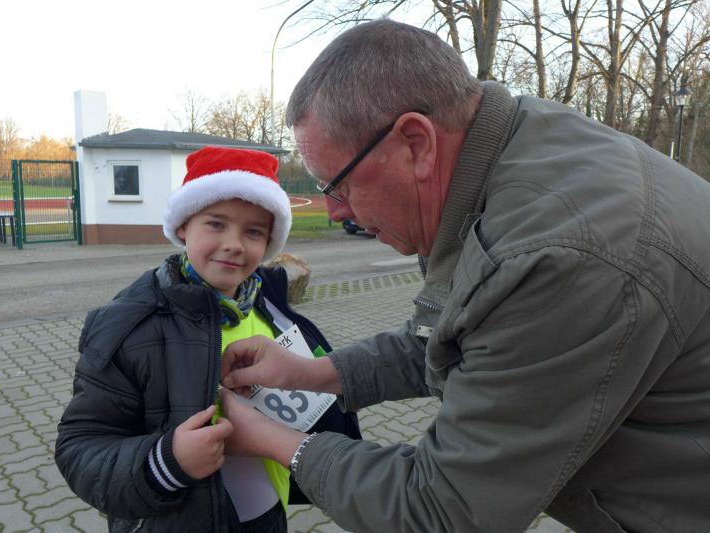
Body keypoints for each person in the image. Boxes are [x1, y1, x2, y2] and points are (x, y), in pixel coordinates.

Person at [219, 19, 710, 533]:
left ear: (416, 143)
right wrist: (314, 373)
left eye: (336, 185)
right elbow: (469, 338)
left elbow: (442, 511)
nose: (336, 211)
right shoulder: (519, 148)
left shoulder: (557, 255)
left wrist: (272, 440)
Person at [56, 146, 360, 533]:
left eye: (253, 231)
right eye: (216, 224)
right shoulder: (130, 325)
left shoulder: (270, 309)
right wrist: (166, 462)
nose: (235, 244)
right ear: (184, 225)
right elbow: (80, 448)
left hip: (269, 516)